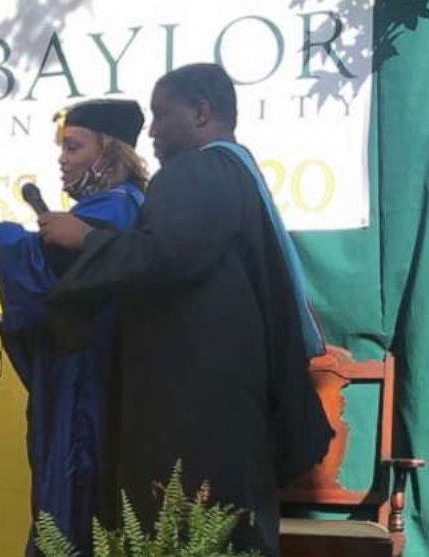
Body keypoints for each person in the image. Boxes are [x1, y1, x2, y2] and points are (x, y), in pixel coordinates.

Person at [39, 64, 333, 556]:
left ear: (201, 112)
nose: (151, 130)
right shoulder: (236, 171)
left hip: (193, 409)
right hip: (227, 403)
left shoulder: (199, 169)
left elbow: (166, 256)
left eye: (161, 115)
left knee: (186, 528)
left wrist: (85, 237)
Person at [0, 99, 149, 556]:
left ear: (109, 154)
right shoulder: (113, 206)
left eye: (74, 147)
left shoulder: (120, 207)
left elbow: (47, 264)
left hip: (89, 394)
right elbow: (70, 296)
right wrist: (11, 325)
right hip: (84, 382)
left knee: (74, 510)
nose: (62, 160)